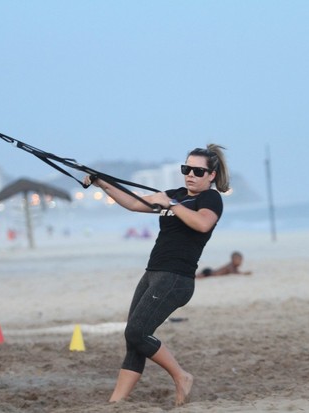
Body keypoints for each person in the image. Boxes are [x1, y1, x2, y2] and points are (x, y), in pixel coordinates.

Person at [83, 144, 230, 406]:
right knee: (134, 338)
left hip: (176, 278)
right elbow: (133, 203)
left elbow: (203, 223)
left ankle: (181, 376)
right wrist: (101, 182)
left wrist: (171, 204)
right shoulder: (175, 194)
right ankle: (116, 403)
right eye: (186, 169)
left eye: (198, 171)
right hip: (153, 274)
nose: (191, 175)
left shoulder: (210, 198)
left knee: (137, 332)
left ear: (212, 175)